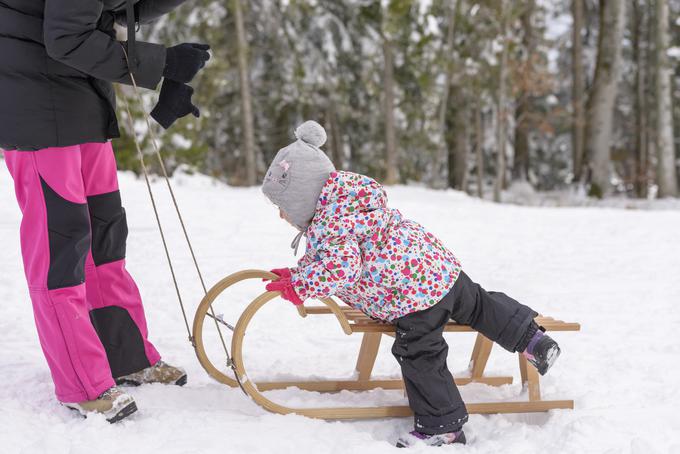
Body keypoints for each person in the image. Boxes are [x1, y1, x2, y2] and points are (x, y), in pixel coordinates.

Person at [261, 121, 562, 448]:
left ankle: (442, 425)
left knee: (419, 352)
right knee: (478, 303)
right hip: (441, 270)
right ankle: (532, 339)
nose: (281, 216)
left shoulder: (331, 225)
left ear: (305, 200)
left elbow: (341, 266)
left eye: (283, 208)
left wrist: (302, 285)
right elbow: (331, 256)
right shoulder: (349, 204)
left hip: (413, 298)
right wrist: (299, 272)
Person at [0, 0, 210, 423]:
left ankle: (124, 356)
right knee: (62, 245)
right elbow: (66, 36)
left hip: (80, 96)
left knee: (105, 233)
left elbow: (113, 8)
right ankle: (81, 383)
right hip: (34, 110)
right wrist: (165, 62)